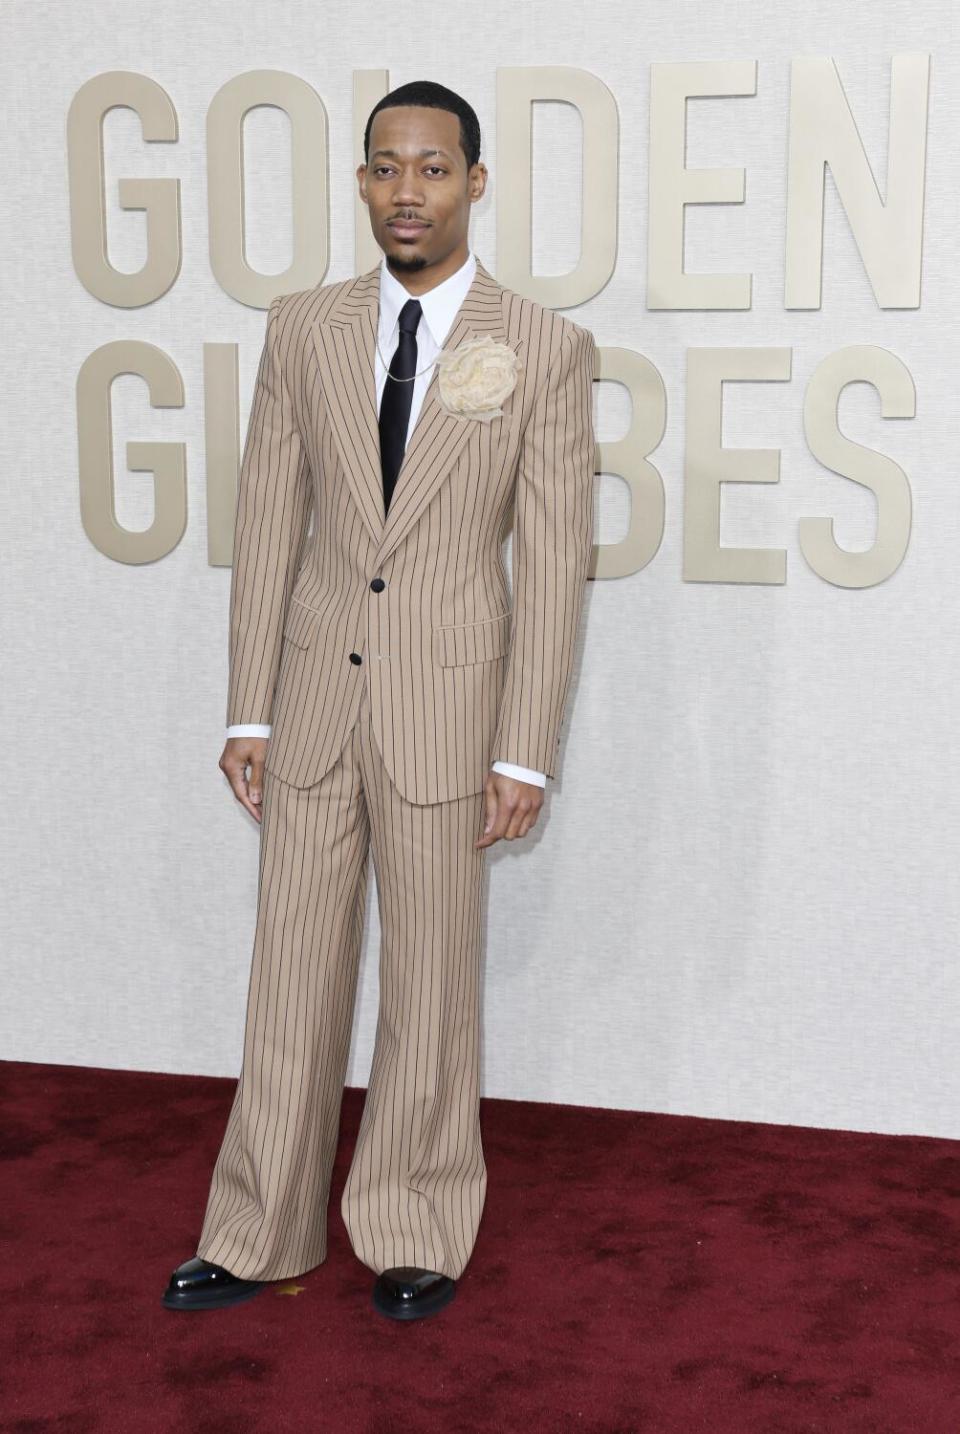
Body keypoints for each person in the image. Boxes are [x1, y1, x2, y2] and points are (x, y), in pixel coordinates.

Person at [162, 79, 597, 1321]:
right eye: (385, 168)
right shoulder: (300, 327)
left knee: (432, 981)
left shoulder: (546, 347)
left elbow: (555, 564)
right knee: (289, 972)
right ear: (362, 183)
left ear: (474, 183)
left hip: (453, 713)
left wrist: (528, 748)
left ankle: (414, 1221)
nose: (408, 189)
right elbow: (269, 525)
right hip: (308, 701)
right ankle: (258, 1228)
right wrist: (248, 710)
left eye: (433, 168)